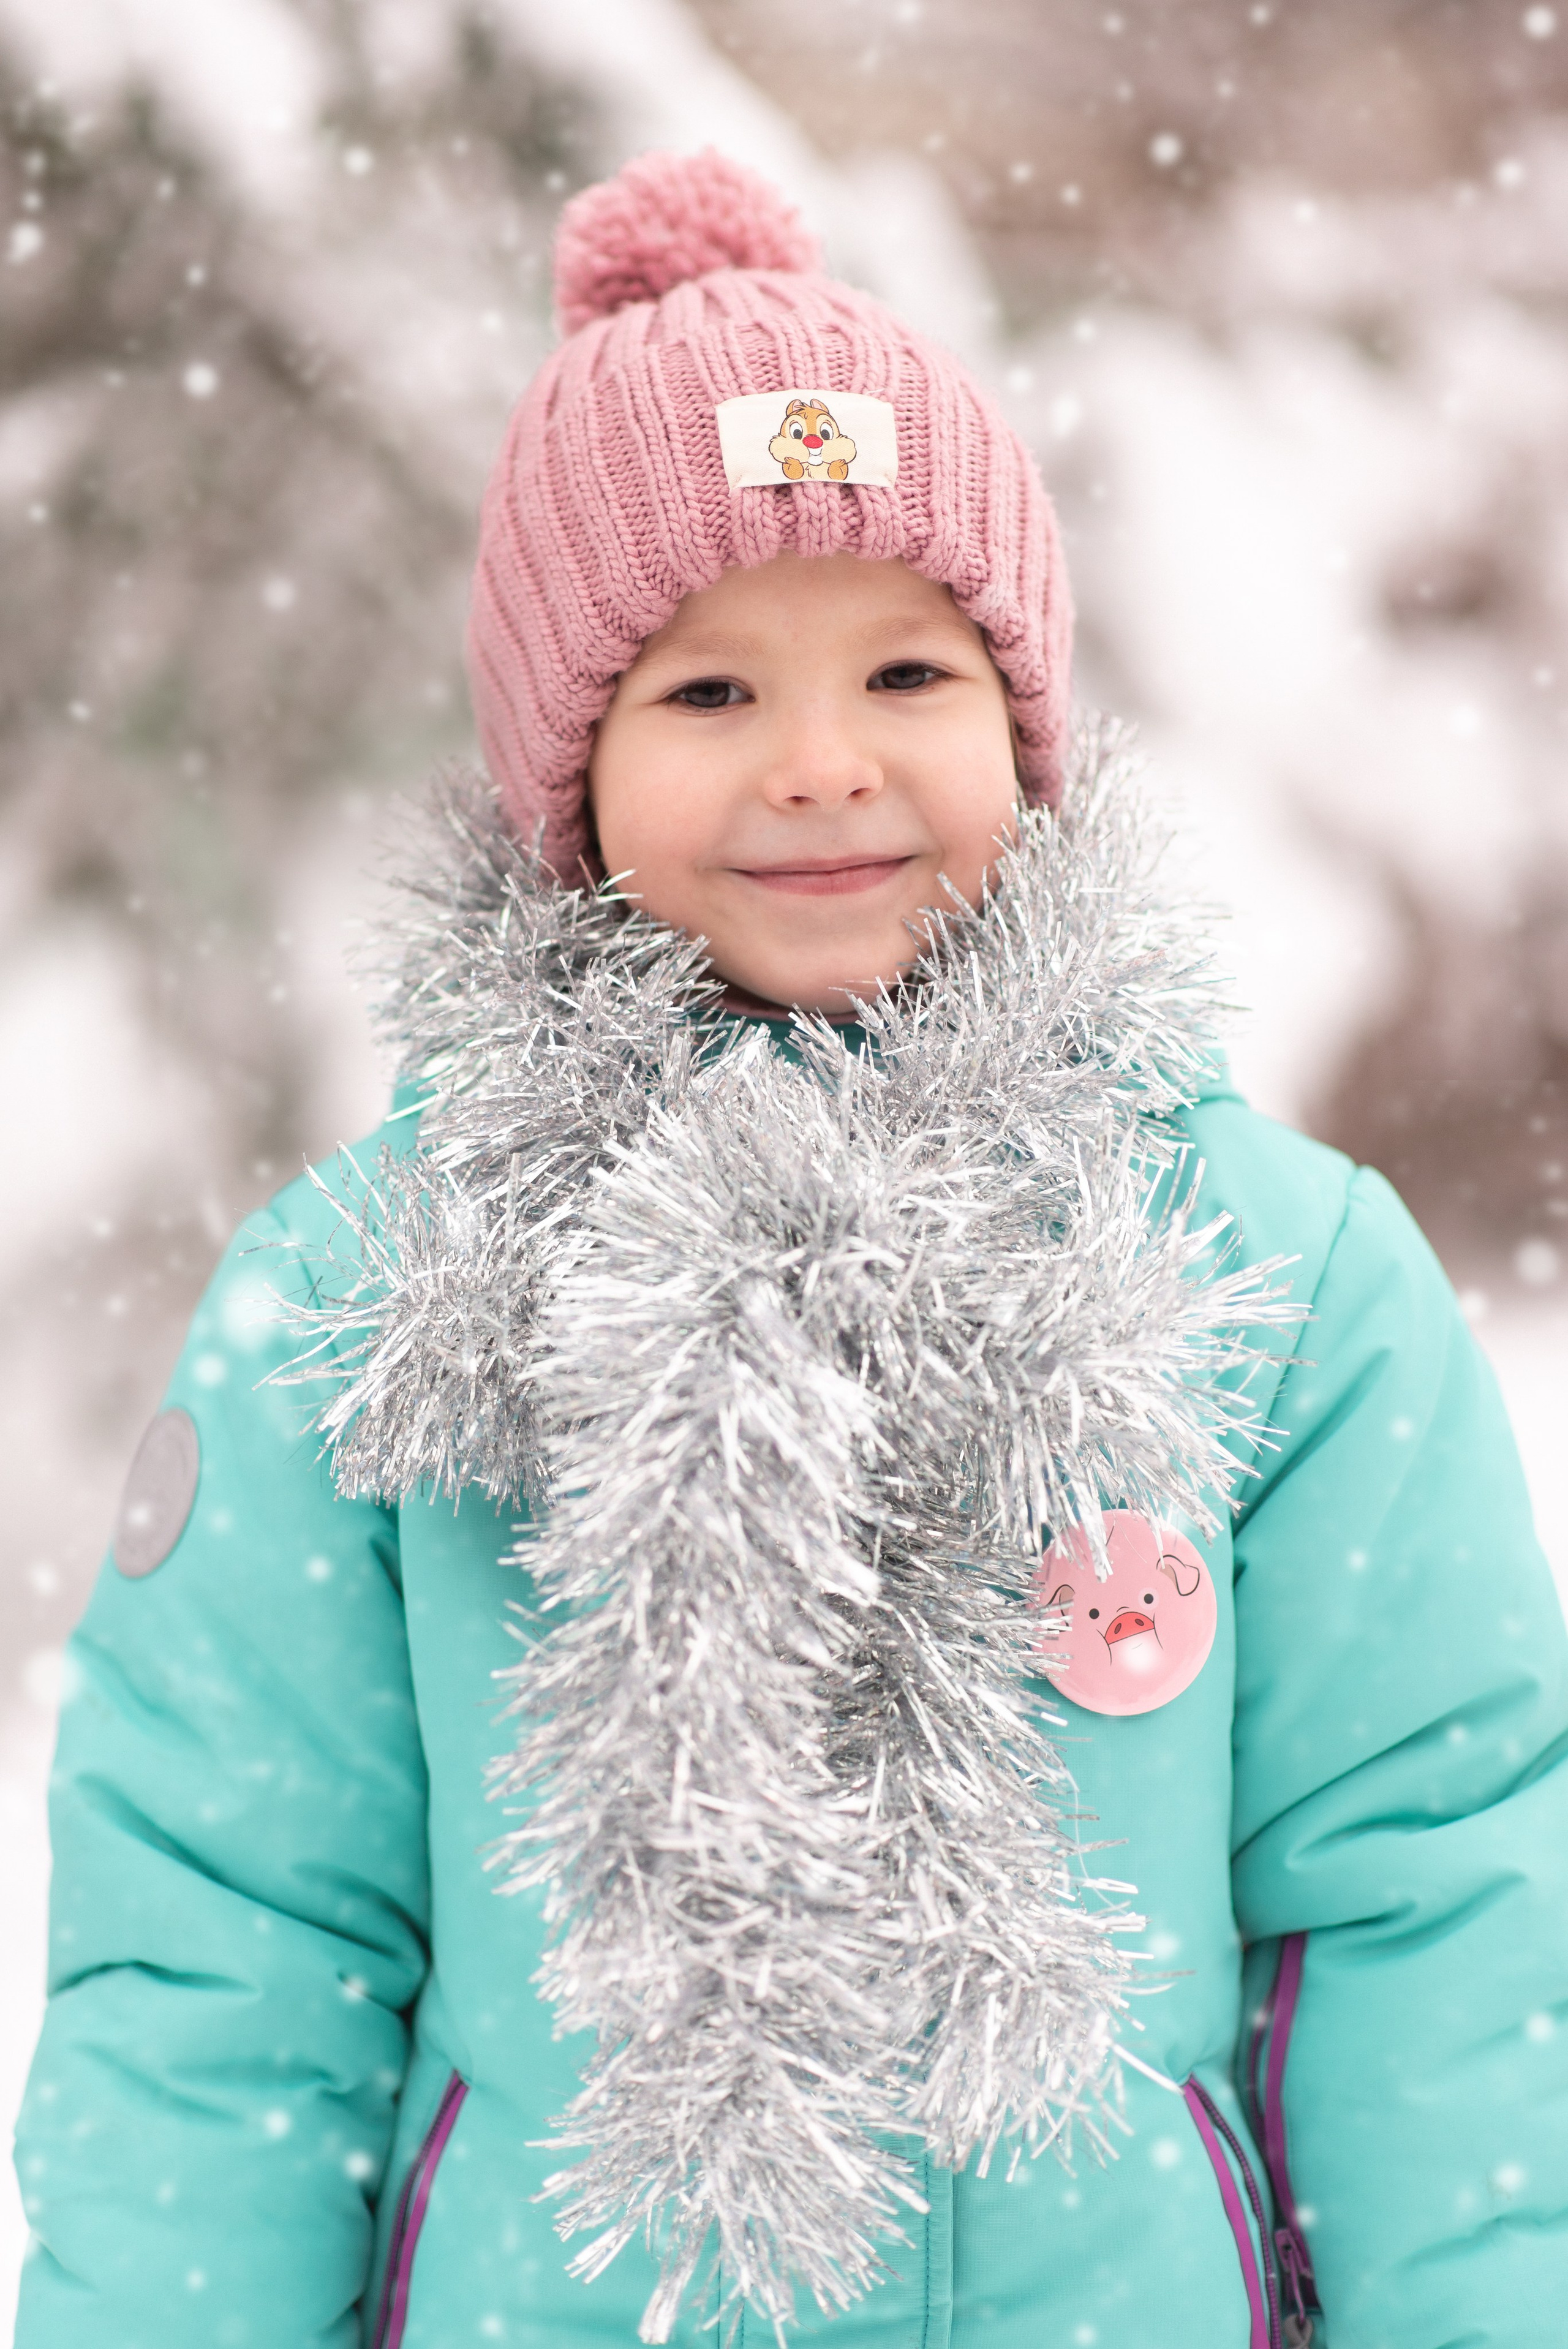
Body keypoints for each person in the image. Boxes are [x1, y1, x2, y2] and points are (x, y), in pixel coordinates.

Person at [13, 149, 1567, 2349]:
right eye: (710, 694)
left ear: (1024, 719)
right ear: (567, 773)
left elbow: (1437, 1906)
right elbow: (228, 1973)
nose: (824, 767)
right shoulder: (382, 1316)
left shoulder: (1274, 1286)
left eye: (910, 674)